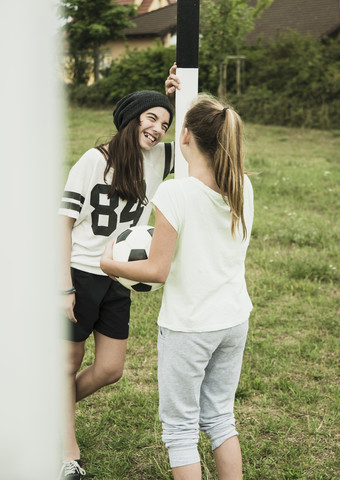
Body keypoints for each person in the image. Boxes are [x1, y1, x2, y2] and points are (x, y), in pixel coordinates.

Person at [100, 92, 254, 480]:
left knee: (181, 429)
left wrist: (109, 263)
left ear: (184, 136)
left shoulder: (176, 192)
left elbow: (156, 269)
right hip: (234, 320)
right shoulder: (242, 187)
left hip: (189, 327)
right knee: (221, 417)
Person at [58, 89, 174, 480]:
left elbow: (200, 133)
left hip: (119, 277)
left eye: (165, 124)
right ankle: (67, 454)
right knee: (67, 364)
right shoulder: (95, 160)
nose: (159, 129)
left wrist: (180, 89)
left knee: (110, 369)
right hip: (79, 273)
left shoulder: (160, 160)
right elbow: (64, 224)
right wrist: (62, 288)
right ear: (132, 117)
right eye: (152, 118)